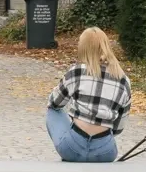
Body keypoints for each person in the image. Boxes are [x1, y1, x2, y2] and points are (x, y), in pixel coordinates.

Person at [44, 27, 130, 162]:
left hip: (72, 148)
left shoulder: (77, 71)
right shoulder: (123, 79)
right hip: (105, 152)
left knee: (53, 111)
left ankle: (76, 146)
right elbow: (119, 127)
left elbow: (54, 102)